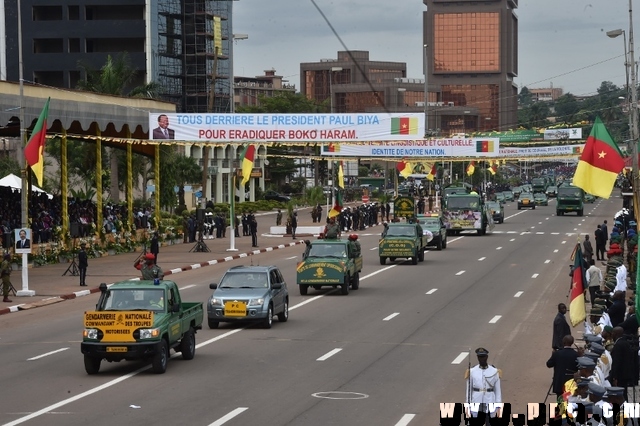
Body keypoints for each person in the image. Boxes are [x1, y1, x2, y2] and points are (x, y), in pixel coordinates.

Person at [465, 347, 502, 421]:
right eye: (480, 357)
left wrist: (498, 404)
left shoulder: (494, 371)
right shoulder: (472, 371)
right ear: (477, 358)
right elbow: (468, 390)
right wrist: (468, 404)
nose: (482, 359)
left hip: (490, 399)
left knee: (490, 422)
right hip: (476, 399)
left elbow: (497, 390)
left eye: (483, 357)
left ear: (487, 357)